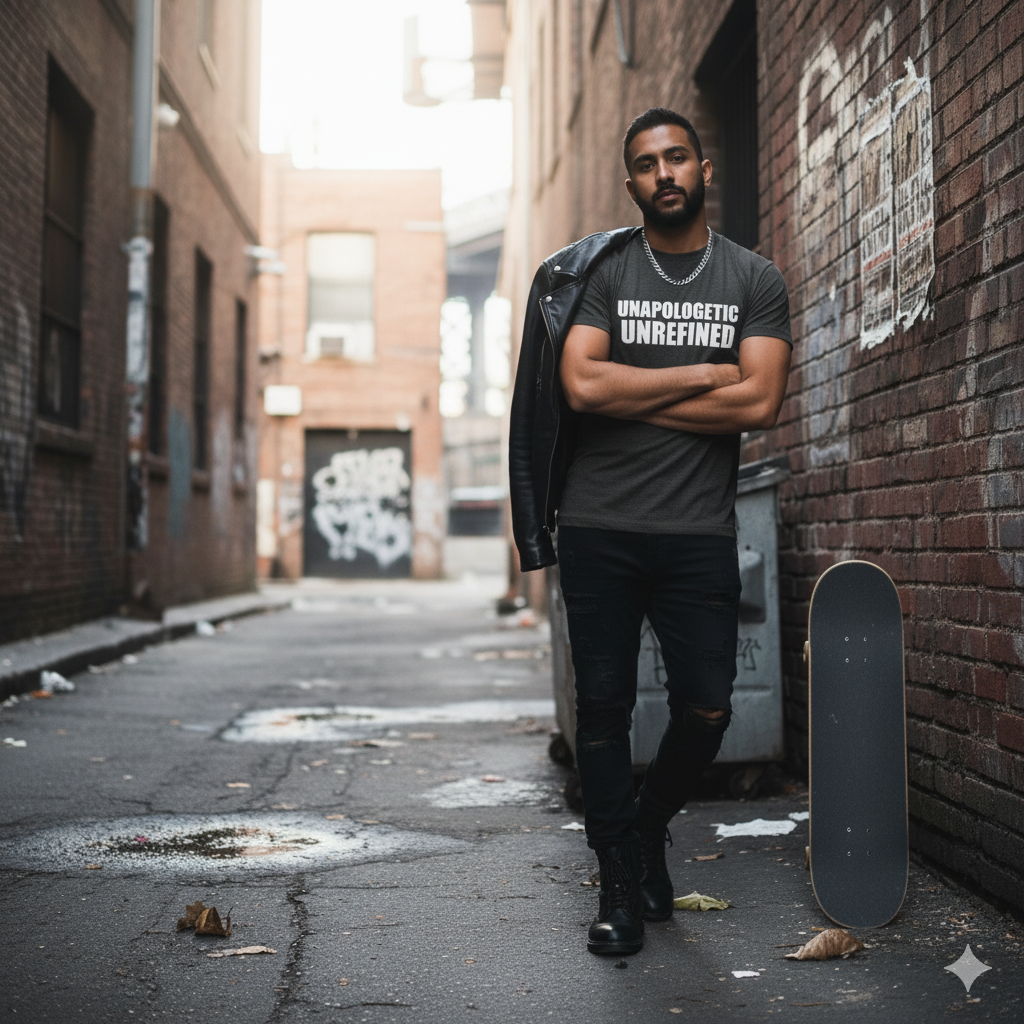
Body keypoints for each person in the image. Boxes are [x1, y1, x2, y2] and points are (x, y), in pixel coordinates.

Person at [508, 107, 793, 956]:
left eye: (676, 157)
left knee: (706, 710)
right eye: (645, 163)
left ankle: (645, 827)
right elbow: (583, 389)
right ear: (629, 182)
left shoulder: (753, 278)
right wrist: (707, 371)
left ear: (704, 169)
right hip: (598, 526)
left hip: (697, 530)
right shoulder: (605, 272)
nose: (663, 173)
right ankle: (617, 884)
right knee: (603, 712)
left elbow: (762, 401)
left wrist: (645, 386)